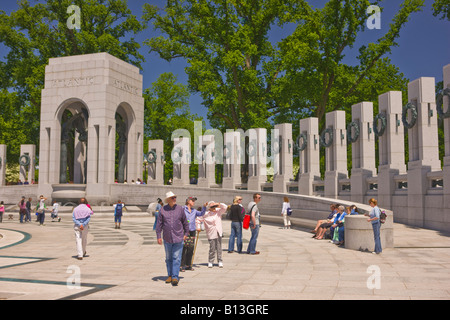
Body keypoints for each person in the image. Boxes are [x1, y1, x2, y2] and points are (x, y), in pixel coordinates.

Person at [156, 191, 189, 286]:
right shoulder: (162, 210)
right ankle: (169, 275)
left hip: (178, 237)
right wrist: (158, 236)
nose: (175, 199)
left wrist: (186, 233)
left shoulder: (180, 209)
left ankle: (175, 276)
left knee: (176, 258)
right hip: (167, 238)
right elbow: (159, 224)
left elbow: (185, 222)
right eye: (173, 197)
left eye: (175, 197)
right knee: (168, 258)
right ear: (168, 200)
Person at [196, 201, 228, 268]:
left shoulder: (218, 212)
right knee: (212, 248)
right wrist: (198, 227)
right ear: (209, 208)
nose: (214, 208)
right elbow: (198, 219)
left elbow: (225, 207)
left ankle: (220, 261)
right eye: (212, 207)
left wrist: (218, 204)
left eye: (214, 206)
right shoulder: (206, 214)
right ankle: (211, 261)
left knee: (219, 247)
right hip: (211, 232)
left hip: (218, 231)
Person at [180, 197, 206, 271]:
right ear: (188, 201)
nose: (194, 202)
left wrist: (204, 206)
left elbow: (201, 213)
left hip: (192, 230)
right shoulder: (182, 209)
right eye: (192, 201)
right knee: (184, 247)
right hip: (185, 231)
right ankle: (182, 265)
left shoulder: (194, 211)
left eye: (194, 201)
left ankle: (188, 264)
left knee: (190, 248)